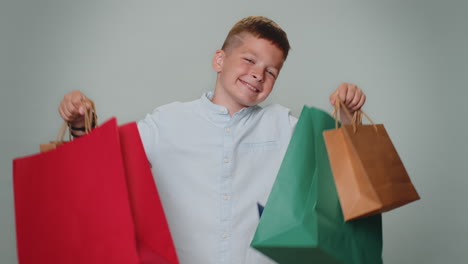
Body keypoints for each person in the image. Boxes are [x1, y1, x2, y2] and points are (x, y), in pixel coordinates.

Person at [59, 16, 366, 264]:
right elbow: (100, 171)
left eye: (271, 71)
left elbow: (343, 175)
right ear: (219, 60)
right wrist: (78, 124)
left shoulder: (284, 125)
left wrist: (349, 117)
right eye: (248, 59)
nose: (258, 74)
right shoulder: (167, 122)